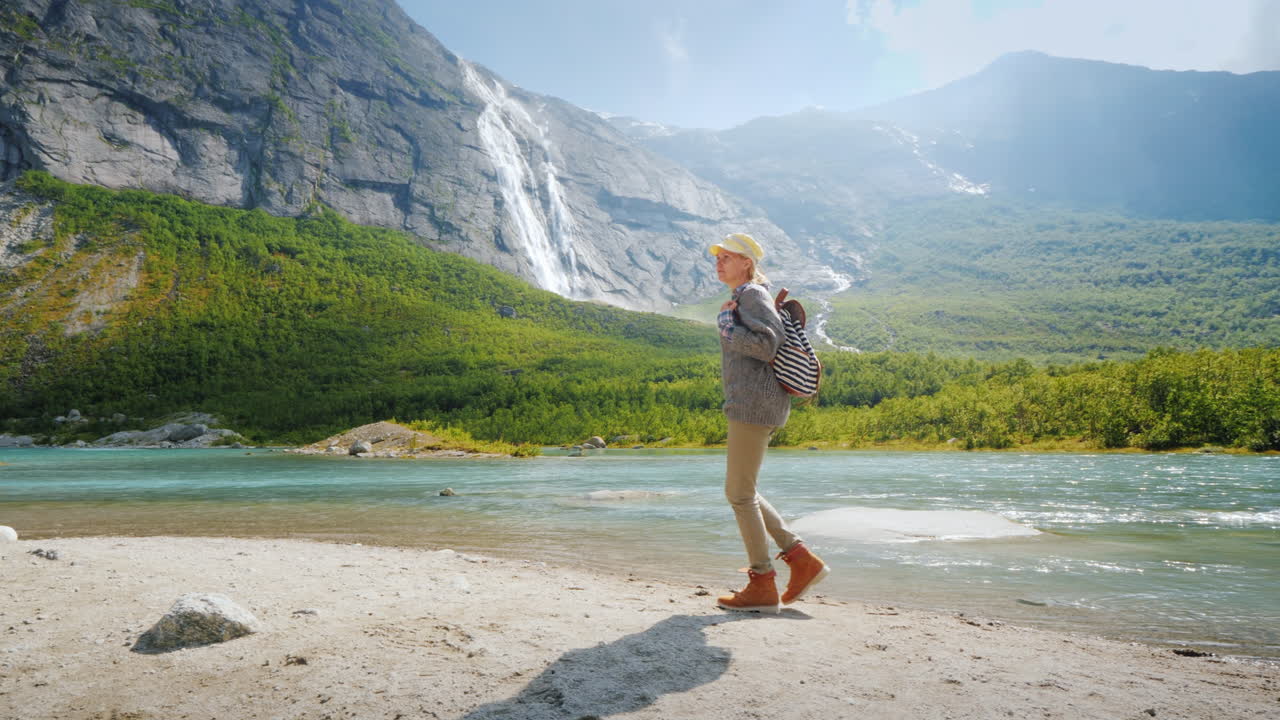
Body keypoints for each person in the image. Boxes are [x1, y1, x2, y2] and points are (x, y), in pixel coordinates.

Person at [709, 232, 830, 614]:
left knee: (739, 494)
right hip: (753, 404)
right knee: (746, 491)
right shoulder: (747, 295)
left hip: (755, 406)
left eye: (727, 257)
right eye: (717, 257)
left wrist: (727, 323)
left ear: (746, 262)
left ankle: (762, 582)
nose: (719, 262)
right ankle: (801, 560)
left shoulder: (751, 295)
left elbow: (766, 346)